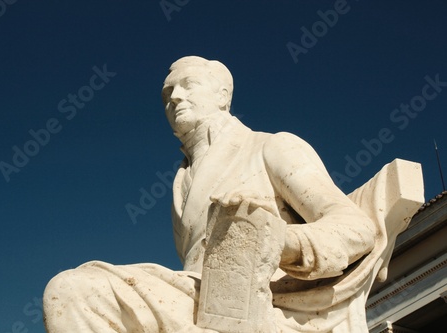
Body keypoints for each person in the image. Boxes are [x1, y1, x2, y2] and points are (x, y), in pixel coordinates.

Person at [42, 56, 386, 332]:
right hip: (199, 297)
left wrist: (275, 239)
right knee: (75, 294)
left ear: (223, 96)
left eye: (188, 85)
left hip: (262, 302)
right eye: (167, 94)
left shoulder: (269, 146)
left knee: (75, 290)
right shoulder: (181, 180)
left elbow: (356, 228)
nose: (174, 97)